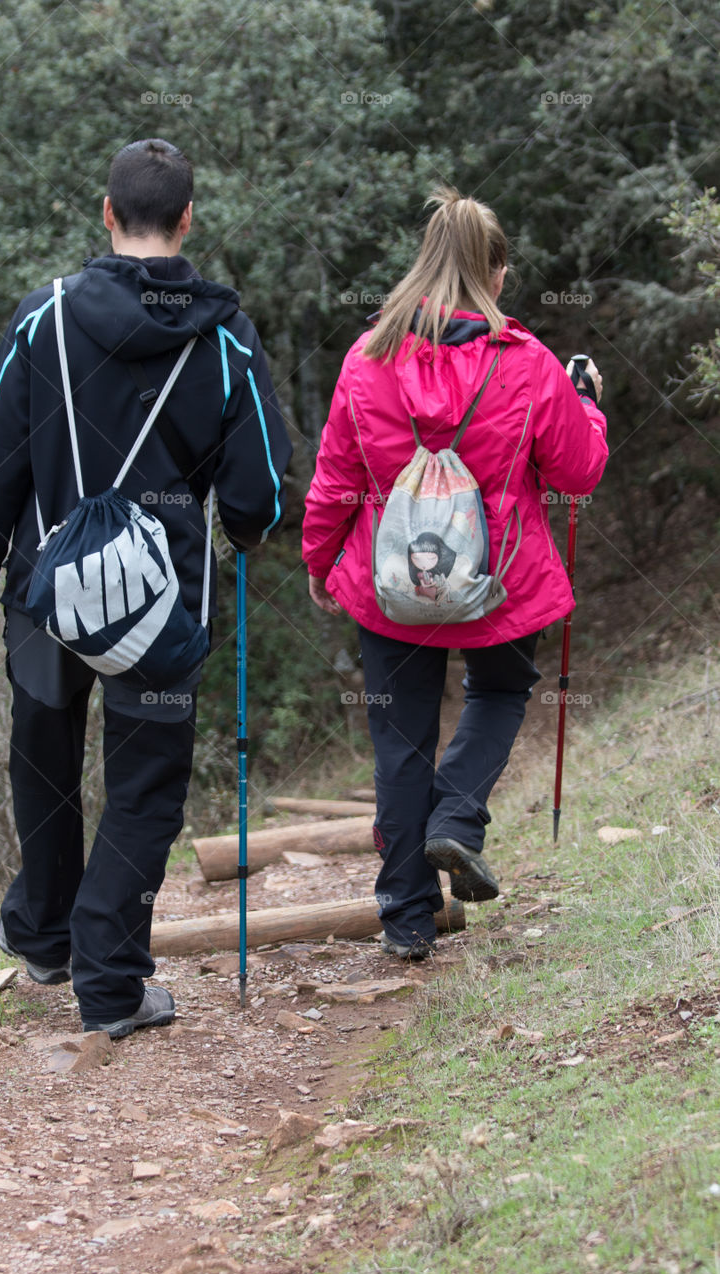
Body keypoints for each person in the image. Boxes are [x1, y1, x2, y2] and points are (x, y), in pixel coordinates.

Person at [0, 139, 292, 1035]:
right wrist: (244, 530)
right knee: (144, 789)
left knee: (46, 766)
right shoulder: (225, 338)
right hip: (162, 605)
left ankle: (48, 939)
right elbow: (256, 495)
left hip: (45, 593)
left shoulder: (41, 319)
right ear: (187, 219)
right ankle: (110, 979)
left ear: (106, 213)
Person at [302, 186, 607, 960]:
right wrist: (586, 405)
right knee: (500, 691)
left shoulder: (366, 359)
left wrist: (319, 557)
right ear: (495, 273)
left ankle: (405, 918)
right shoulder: (528, 363)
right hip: (497, 582)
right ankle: (455, 819)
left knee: (399, 742)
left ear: (421, 264)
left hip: (391, 584)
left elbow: (336, 476)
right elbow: (578, 470)